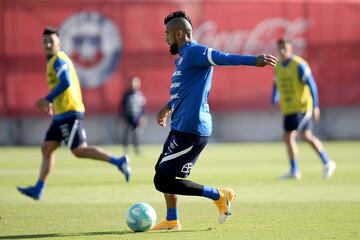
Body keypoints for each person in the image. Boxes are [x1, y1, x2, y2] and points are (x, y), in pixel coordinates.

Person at [152, 10, 278, 231]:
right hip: (180, 128)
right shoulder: (182, 58)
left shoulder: (196, 52)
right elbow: (184, 90)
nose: (165, 38)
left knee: (162, 180)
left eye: (168, 34)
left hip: (192, 131)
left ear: (179, 33)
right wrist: (168, 106)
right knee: (163, 173)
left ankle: (219, 195)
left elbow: (223, 57)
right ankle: (172, 220)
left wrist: (253, 60)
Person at [17, 27, 131, 201]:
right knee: (47, 148)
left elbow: (66, 82)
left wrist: (48, 98)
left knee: (79, 150)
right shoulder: (53, 61)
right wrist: (53, 103)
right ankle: (38, 189)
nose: (48, 44)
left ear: (59, 43)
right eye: (45, 42)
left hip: (70, 112)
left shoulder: (58, 60)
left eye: (51, 41)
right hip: (61, 113)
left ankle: (119, 161)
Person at [271, 38, 336, 180]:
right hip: (288, 108)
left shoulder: (299, 65)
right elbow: (276, 84)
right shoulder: (278, 66)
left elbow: (312, 85)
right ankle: (317, 164)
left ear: (290, 48)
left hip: (302, 106)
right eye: (279, 48)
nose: (282, 51)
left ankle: (310, 166)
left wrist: (316, 106)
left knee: (295, 136)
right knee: (296, 137)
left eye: (284, 48)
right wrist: (273, 99)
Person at [120, 76, 147, 155]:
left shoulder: (140, 94)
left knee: (137, 134)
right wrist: (123, 116)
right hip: (128, 116)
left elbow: (143, 107)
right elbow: (122, 106)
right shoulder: (127, 94)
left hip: (137, 117)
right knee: (127, 133)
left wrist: (143, 117)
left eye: (136, 82)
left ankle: (137, 149)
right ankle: (126, 149)